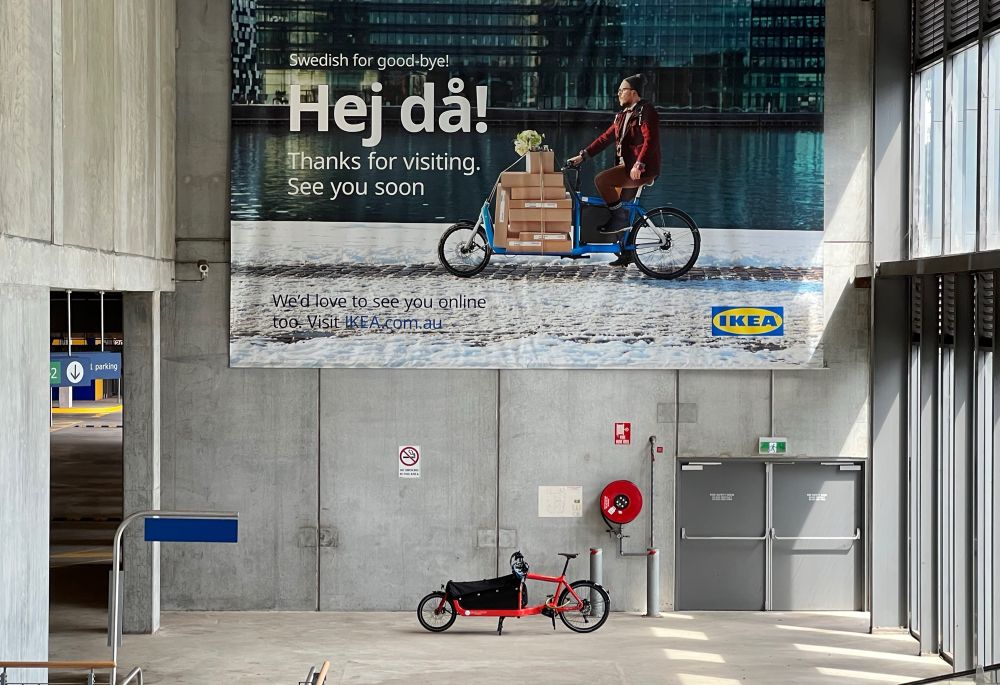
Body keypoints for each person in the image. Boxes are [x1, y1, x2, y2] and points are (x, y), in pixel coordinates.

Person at [569, 74, 661, 267]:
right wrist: (583, 156)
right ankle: (626, 253)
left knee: (602, 181)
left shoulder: (646, 111)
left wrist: (640, 164)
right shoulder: (621, 116)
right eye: (618, 91)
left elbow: (650, 140)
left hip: (638, 169)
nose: (618, 94)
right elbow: (605, 139)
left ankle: (618, 219)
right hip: (626, 167)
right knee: (623, 207)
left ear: (634, 93)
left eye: (622, 90)